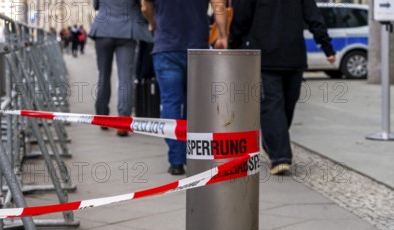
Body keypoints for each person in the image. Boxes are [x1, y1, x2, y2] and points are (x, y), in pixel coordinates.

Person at [229, 0, 336, 175]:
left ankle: (272, 143)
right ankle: (281, 157)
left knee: (286, 107)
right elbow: (242, 17)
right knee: (272, 105)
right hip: (265, 59)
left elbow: (313, 15)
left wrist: (326, 45)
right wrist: (234, 46)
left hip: (293, 58)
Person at [141, 0, 228, 175]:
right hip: (197, 47)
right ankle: (194, 156)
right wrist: (223, 35)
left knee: (170, 103)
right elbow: (219, 5)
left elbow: (145, 7)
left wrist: (153, 24)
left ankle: (176, 161)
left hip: (166, 47)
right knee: (195, 104)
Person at [89, 0, 153, 136]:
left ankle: (102, 118)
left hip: (103, 30)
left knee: (103, 75)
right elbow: (145, 5)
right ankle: (123, 123)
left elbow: (96, 6)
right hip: (127, 31)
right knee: (126, 78)